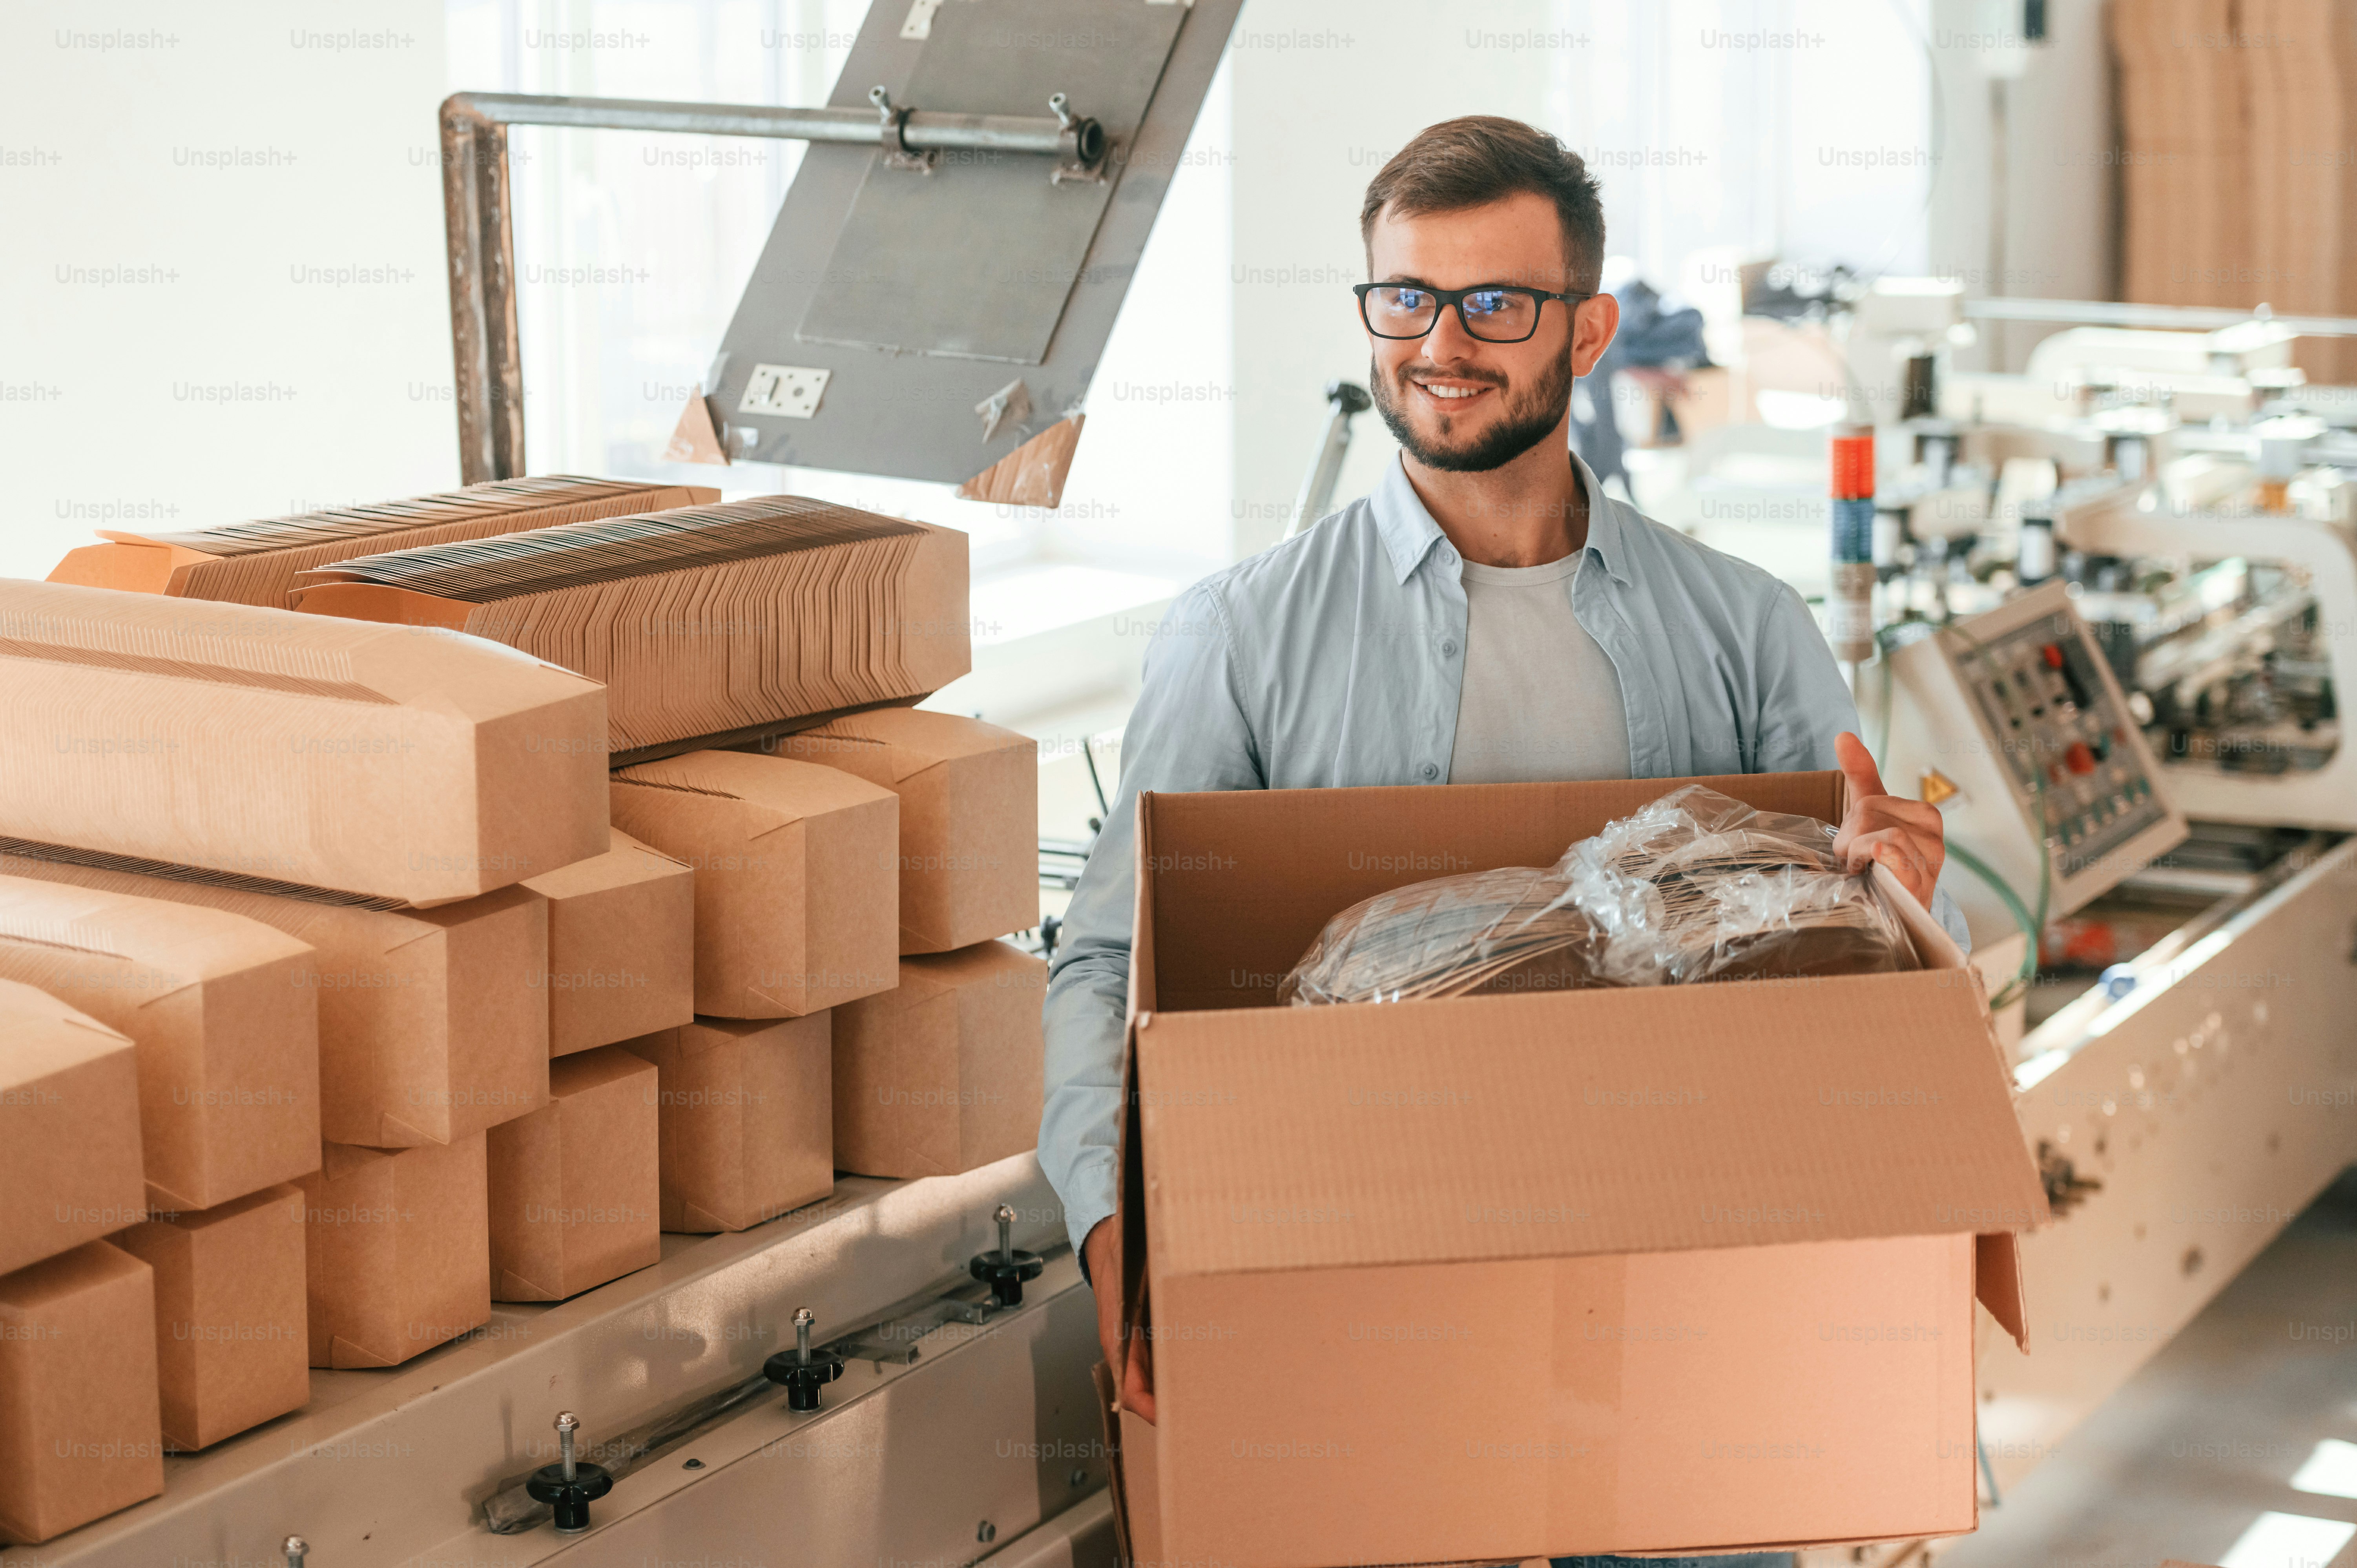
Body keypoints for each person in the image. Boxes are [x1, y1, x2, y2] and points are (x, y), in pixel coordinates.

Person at [1039, 114, 1958, 1568]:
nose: (1440, 343)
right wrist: (1115, 1229)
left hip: (1683, 1318)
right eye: (1404, 297)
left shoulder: (1745, 627)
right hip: (1368, 1300)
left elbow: (1866, 963)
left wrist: (1911, 906)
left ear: (1587, 327)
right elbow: (1106, 962)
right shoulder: (1244, 634)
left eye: (1496, 304)